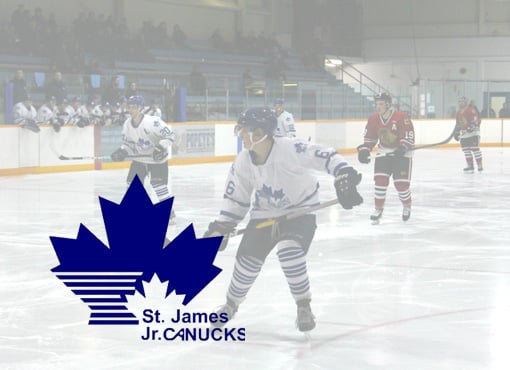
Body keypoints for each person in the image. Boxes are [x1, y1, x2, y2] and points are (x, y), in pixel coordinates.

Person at [203, 107, 363, 332]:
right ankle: (231, 304)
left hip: (300, 211)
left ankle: (303, 305)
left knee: (290, 251)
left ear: (262, 132)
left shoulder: (290, 148)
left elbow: (326, 155)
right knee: (246, 261)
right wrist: (224, 225)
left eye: (247, 130)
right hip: (264, 214)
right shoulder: (243, 161)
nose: (242, 135)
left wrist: (343, 173)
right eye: (241, 130)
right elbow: (236, 197)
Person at [110, 95, 176, 223]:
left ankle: (170, 212)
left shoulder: (153, 122)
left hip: (157, 160)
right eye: (129, 107)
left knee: (159, 186)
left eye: (134, 107)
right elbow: (129, 144)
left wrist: (160, 147)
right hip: (140, 160)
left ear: (140, 108)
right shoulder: (127, 124)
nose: (131, 110)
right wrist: (122, 151)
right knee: (131, 185)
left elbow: (170, 136)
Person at [356, 92, 415, 223]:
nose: (378, 106)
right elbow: (369, 138)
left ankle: (407, 205)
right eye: (376, 104)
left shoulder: (401, 117)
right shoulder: (373, 119)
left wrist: (403, 147)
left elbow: (408, 136)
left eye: (381, 104)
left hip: (402, 155)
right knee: (380, 182)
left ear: (388, 104)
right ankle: (378, 208)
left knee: (401, 185)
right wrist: (365, 150)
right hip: (384, 153)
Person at [454, 96, 483, 173]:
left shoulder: (471, 110)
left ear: (466, 102)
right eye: (459, 101)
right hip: (464, 134)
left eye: (462, 101)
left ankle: (479, 165)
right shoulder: (458, 112)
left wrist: (471, 127)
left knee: (475, 149)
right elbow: (458, 123)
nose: (461, 102)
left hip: (473, 133)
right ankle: (470, 165)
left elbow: (476, 120)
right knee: (466, 150)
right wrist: (456, 132)